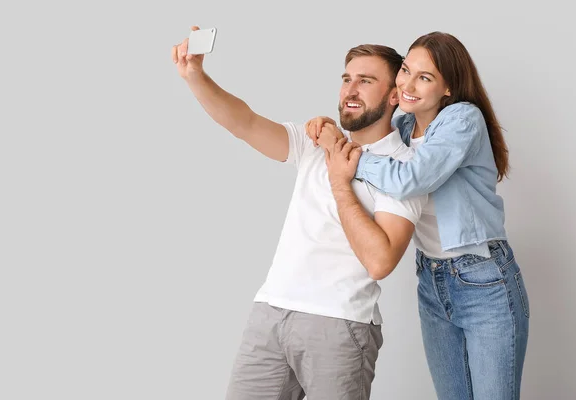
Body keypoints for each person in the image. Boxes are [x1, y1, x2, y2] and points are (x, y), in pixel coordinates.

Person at [172, 26, 428, 400]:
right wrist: (196, 76)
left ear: (393, 95)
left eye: (366, 81)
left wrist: (342, 183)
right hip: (270, 314)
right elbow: (244, 123)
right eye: (346, 79)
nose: (350, 90)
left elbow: (380, 262)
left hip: (340, 324)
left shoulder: (405, 168)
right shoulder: (316, 143)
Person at [306, 31, 530, 400]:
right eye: (405, 70)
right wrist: (328, 125)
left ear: (448, 88)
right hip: (433, 279)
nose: (407, 85)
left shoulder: (462, 118)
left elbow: (408, 178)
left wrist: (347, 157)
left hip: (483, 280)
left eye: (424, 78)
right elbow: (369, 130)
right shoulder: (406, 125)